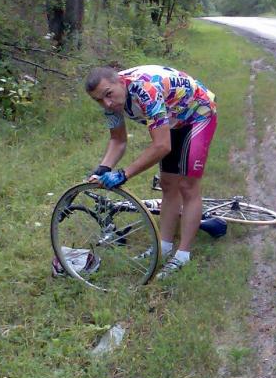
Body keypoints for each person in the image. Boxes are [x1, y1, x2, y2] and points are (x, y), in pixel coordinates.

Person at [85, 65, 217, 280]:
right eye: (98, 100)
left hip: (199, 113)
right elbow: (118, 141)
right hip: (174, 119)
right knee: (167, 184)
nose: (106, 104)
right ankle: (164, 247)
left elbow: (161, 146)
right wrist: (102, 169)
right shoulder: (110, 104)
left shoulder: (145, 89)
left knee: (187, 186)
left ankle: (183, 255)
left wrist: (124, 174)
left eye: (108, 95)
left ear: (120, 81)